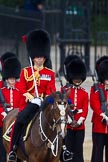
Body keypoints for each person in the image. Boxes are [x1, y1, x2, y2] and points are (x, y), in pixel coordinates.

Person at [8, 29, 56, 162]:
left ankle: (63, 150)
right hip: (30, 103)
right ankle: (13, 149)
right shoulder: (25, 72)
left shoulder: (50, 73)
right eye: (37, 56)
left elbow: (51, 89)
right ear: (33, 57)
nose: (40, 59)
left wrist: (45, 99)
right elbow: (21, 89)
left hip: (45, 103)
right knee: (20, 120)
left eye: (42, 56)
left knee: (59, 121)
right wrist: (32, 98)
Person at [60, 55, 88, 162]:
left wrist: (79, 122)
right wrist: (71, 121)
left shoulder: (84, 93)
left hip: (80, 127)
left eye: (79, 78)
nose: (77, 80)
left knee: (78, 150)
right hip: (68, 125)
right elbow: (63, 107)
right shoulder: (65, 90)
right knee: (68, 149)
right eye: (75, 78)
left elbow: (85, 109)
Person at [0, 53, 25, 162]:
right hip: (1, 123)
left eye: (14, 78)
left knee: (17, 148)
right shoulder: (2, 91)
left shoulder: (19, 91)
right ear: (6, 78)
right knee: (1, 151)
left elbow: (21, 104)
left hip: (15, 123)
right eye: (10, 78)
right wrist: (4, 114)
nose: (12, 80)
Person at [90, 59, 108, 162]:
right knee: (98, 152)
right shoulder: (96, 88)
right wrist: (102, 115)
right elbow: (94, 104)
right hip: (99, 125)